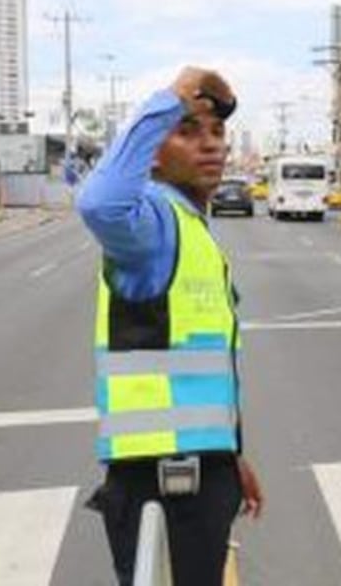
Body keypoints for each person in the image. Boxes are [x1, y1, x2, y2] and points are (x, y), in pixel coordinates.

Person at [77, 66, 264, 586]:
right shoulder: (155, 224)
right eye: (187, 132)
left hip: (199, 475)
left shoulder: (191, 227)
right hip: (162, 486)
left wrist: (228, 455)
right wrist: (172, 98)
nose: (211, 146)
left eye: (218, 133)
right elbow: (98, 203)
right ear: (154, 152)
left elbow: (196, 376)